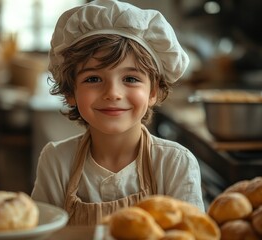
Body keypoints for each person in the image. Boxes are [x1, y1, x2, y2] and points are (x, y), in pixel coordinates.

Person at [31, 0, 204, 225]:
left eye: (130, 79)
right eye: (93, 79)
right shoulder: (56, 161)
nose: (113, 93)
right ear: (70, 92)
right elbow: (42, 233)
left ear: (154, 92)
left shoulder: (175, 163)